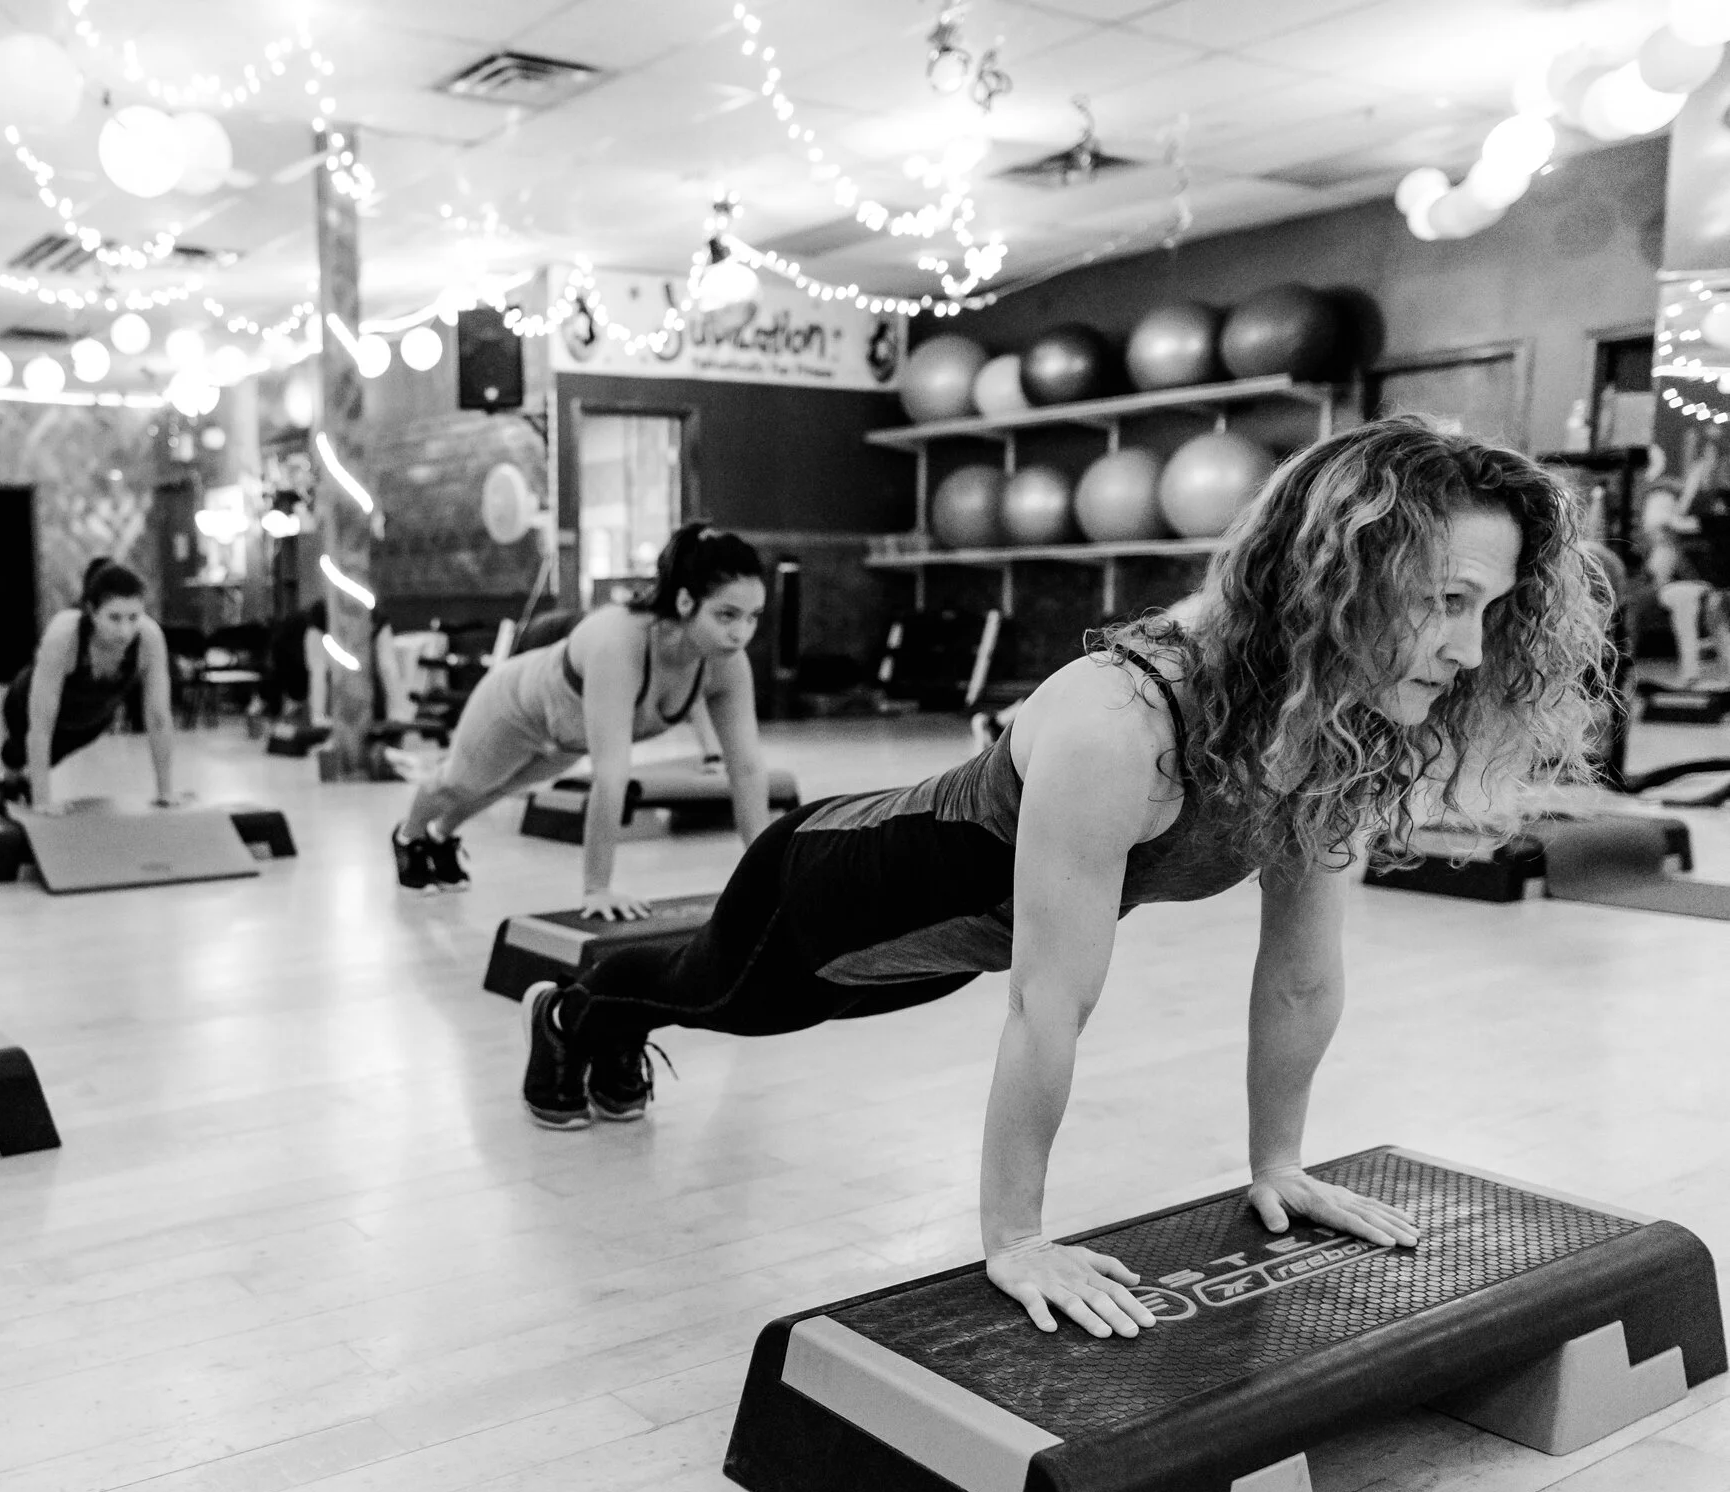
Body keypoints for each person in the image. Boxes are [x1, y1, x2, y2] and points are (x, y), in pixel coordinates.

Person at [521, 417, 1610, 1339]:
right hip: (832, 890)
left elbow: (1299, 971)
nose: (1470, 649)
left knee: (731, 995)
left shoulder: (1327, 721)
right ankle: (574, 1007)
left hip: (950, 934)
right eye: (1446, 599)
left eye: (1489, 608)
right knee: (719, 998)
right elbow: (1051, 998)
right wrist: (1017, 1237)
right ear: (1344, 574)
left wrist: (1278, 1160)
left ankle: (599, 1012)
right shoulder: (1121, 718)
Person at [392, 524, 774, 910]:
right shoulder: (621, 642)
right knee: (459, 782)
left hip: (566, 736)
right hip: (512, 707)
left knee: (499, 787)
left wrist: (766, 878)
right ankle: (408, 838)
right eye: (727, 615)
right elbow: (610, 778)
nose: (741, 633)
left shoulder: (727, 665)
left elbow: (746, 769)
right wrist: (597, 889)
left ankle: (440, 836)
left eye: (753, 617)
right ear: (686, 602)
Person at [0, 558, 178, 810]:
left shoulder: (149, 639)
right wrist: (43, 802)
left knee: (62, 746)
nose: (125, 631)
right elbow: (39, 726)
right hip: (25, 705)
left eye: (133, 617)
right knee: (19, 751)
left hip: (89, 716)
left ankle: (20, 780)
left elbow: (158, 717)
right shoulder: (64, 635)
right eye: (114, 618)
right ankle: (8, 778)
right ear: (92, 611)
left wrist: (166, 793)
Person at [1644, 439, 1727, 686]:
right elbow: (1660, 528)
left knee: (1715, 615)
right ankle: (1691, 672)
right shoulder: (1665, 496)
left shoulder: (1710, 502)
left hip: (1706, 576)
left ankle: (1702, 671)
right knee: (1688, 605)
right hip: (1677, 577)